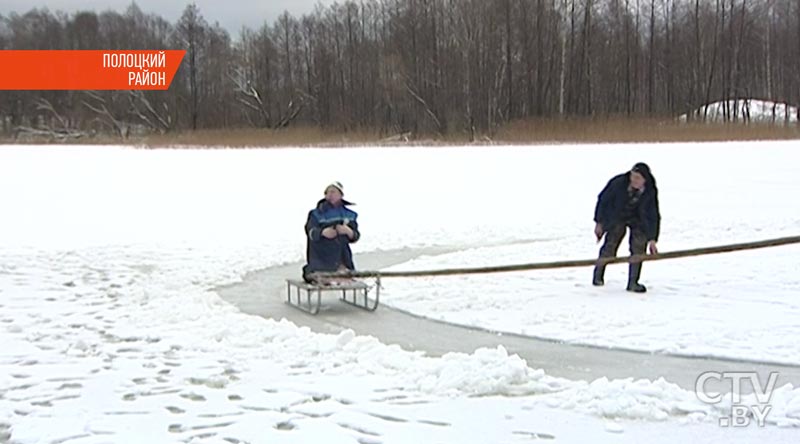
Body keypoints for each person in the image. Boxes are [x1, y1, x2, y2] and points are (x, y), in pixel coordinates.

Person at [592, 162, 661, 293]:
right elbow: (603, 200)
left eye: (638, 178)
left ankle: (633, 282)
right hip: (617, 215)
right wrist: (599, 223)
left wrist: (652, 239)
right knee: (611, 244)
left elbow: (653, 214)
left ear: (644, 180)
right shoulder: (618, 183)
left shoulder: (650, 190)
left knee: (639, 247)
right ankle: (598, 276)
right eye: (633, 176)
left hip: (638, 218)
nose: (634, 180)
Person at [302, 181, 360, 284]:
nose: (330, 195)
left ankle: (340, 275)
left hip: (342, 257)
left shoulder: (349, 215)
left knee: (347, 274)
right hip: (320, 256)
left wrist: (349, 231)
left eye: (333, 192)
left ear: (341, 195)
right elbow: (310, 231)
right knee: (315, 273)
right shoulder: (316, 214)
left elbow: (355, 236)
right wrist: (322, 232)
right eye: (327, 192)